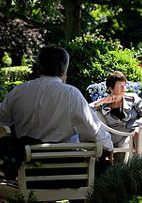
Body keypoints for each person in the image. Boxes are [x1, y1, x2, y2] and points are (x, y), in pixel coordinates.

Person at [0, 45, 113, 178]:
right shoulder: (71, 94)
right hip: (64, 173)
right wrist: (109, 147)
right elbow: (93, 133)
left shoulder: (18, 92)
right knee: (104, 169)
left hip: (27, 172)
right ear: (64, 69)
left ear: (39, 67)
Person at [92, 71, 142, 161]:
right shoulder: (103, 105)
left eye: (124, 85)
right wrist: (102, 101)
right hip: (121, 137)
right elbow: (86, 110)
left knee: (139, 133)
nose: (124, 88)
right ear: (111, 88)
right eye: (120, 85)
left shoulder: (133, 98)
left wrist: (137, 127)